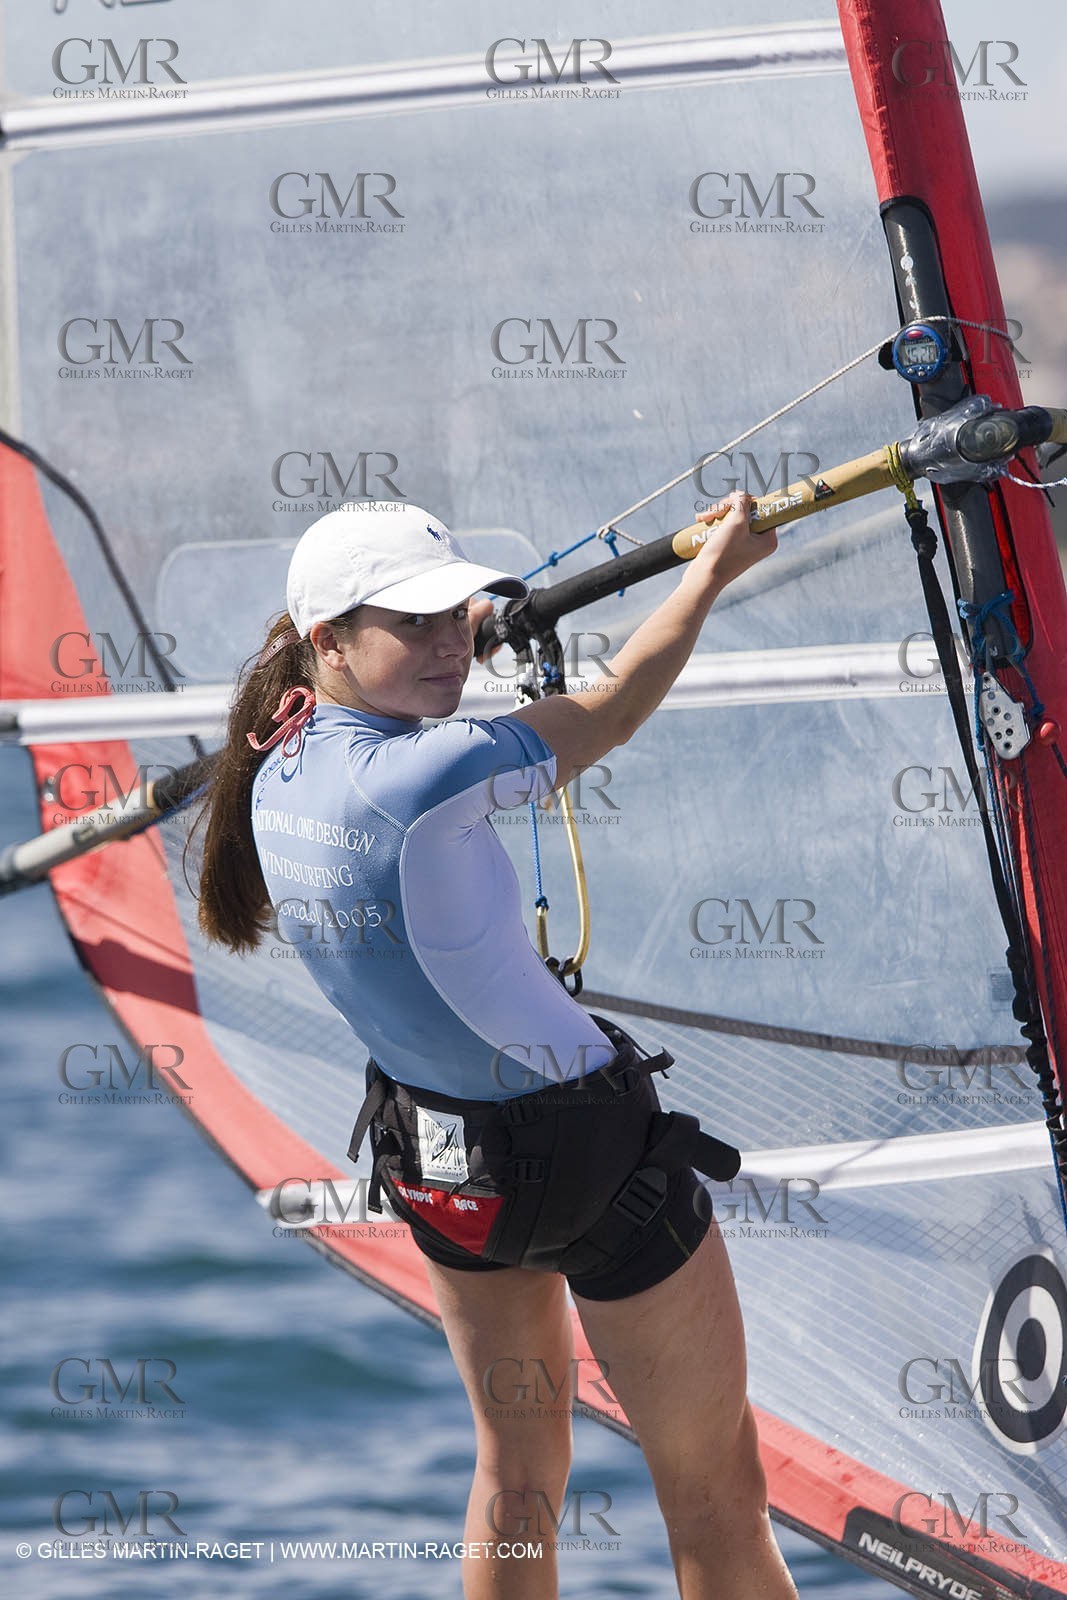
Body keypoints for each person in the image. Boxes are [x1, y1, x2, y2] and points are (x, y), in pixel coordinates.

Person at [195, 494, 797, 1600]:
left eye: (455, 616)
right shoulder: (426, 772)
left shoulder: (274, 766)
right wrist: (709, 573)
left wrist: (444, 663)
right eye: (410, 625)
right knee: (711, 1489)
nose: (448, 643)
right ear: (326, 640)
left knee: (515, 1478)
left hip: (437, 1163)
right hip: (588, 1161)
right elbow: (609, 712)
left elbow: (381, 723)